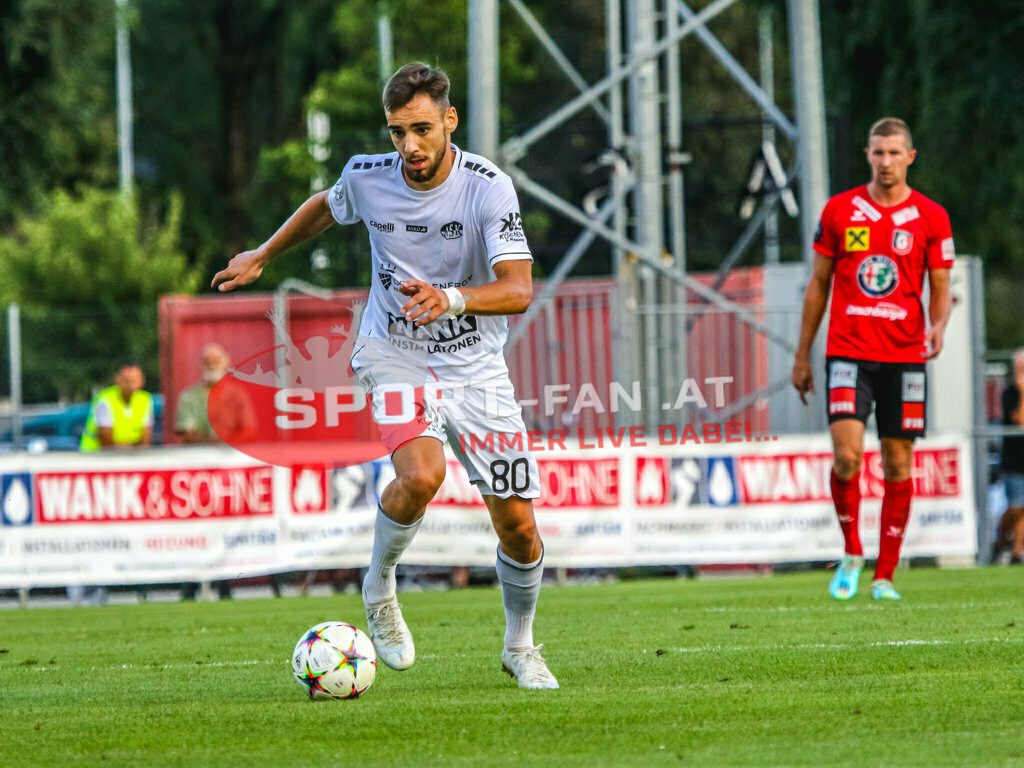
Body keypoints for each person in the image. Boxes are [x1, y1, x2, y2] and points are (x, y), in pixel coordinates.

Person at [212, 62, 557, 688]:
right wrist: (264, 252)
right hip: (393, 350)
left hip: (477, 365)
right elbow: (325, 207)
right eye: (398, 131)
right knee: (423, 474)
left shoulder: (488, 188)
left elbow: (518, 289)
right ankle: (379, 585)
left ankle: (520, 646)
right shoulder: (368, 177)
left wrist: (451, 298)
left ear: (450, 120)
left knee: (520, 526)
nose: (410, 146)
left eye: (422, 129)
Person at [791, 117, 954, 601]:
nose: (886, 162)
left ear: (910, 157)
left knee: (898, 464)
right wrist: (803, 354)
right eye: (878, 153)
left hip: (905, 354)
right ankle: (852, 551)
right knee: (847, 457)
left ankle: (885, 576)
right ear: (868, 155)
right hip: (847, 350)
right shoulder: (841, 211)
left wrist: (939, 326)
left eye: (894, 153)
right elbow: (818, 284)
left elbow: (941, 287)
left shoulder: (931, 216)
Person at [175, 343, 256, 445]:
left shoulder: (238, 394)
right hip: (198, 455)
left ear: (226, 365)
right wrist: (213, 442)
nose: (211, 366)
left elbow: (249, 430)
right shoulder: (188, 396)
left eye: (216, 362)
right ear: (200, 365)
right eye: (207, 363)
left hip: (231, 455)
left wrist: (227, 442)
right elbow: (186, 434)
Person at [80, 362, 154, 451]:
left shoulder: (145, 400)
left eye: (135, 381)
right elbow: (106, 443)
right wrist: (131, 449)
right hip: (94, 454)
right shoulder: (105, 400)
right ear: (118, 380)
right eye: (127, 381)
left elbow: (145, 441)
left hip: (129, 456)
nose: (132, 386)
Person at [995, 349, 1024, 564]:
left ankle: (1016, 552)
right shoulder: (1010, 393)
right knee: (1015, 507)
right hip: (1014, 460)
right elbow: (1020, 419)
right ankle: (1000, 539)